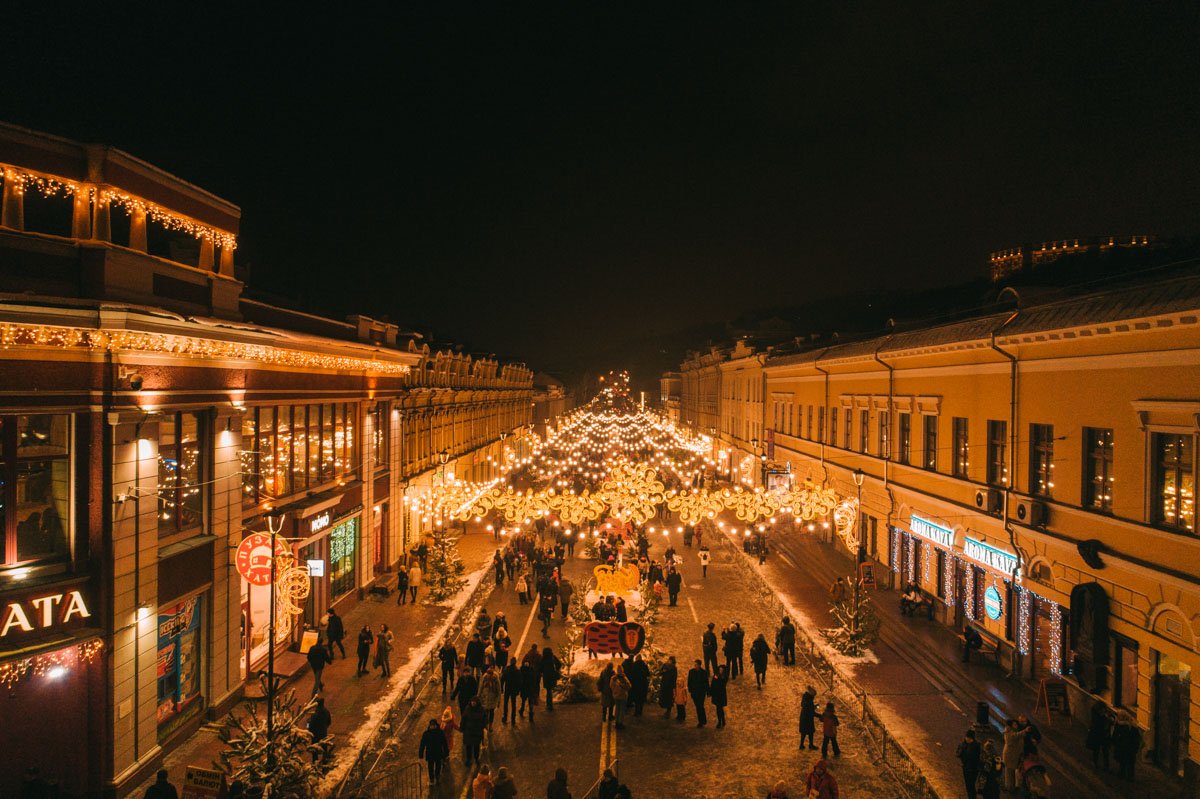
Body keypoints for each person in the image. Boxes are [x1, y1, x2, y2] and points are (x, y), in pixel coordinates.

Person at [1112, 712, 1142, 781]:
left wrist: (1116, 743)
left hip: (1123, 747)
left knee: (1123, 762)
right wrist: (1135, 748)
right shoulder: (1133, 727)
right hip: (1131, 749)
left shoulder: (1120, 726)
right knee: (1131, 763)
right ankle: (1130, 777)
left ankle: (1122, 774)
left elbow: (1115, 736)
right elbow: (1137, 739)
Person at [419, 719, 450, 785]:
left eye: (433, 725)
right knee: (430, 767)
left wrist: (446, 752)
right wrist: (420, 755)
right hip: (432, 754)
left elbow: (444, 743)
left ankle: (437, 777)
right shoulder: (427, 734)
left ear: (436, 725)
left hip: (437, 753)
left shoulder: (439, 733)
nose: (432, 727)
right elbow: (422, 745)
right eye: (431, 725)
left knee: (438, 766)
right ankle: (432, 779)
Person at [460, 696, 487, 767]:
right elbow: (464, 719)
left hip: (477, 731)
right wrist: (462, 727)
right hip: (468, 731)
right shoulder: (467, 709)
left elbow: (484, 720)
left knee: (476, 746)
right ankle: (469, 759)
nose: (473, 703)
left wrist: (483, 727)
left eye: (474, 702)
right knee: (468, 746)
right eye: (472, 702)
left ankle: (476, 758)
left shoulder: (481, 710)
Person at [1087, 701, 1114, 770]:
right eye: (1103, 710)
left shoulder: (1100, 716)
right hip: (1099, 735)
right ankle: (1097, 763)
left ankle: (1105, 765)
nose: (1104, 711)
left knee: (1104, 751)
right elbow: (1099, 724)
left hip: (1103, 735)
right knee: (1098, 750)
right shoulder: (1098, 717)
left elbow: (1111, 721)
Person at [956, 729, 982, 799]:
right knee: (968, 785)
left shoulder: (976, 746)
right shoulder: (963, 744)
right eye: (966, 737)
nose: (967, 739)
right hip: (966, 768)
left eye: (968, 738)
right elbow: (957, 753)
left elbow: (975, 757)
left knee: (971, 785)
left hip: (973, 769)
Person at [1001, 718, 1025, 792]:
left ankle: (1011, 786)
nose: (1016, 725)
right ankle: (1009, 787)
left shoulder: (1014, 731)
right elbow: (1014, 736)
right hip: (1010, 756)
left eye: (1016, 724)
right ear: (1011, 725)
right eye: (1014, 724)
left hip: (1014, 755)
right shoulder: (1008, 733)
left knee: (1011, 771)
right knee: (1009, 772)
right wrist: (1025, 731)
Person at [307, 697, 332, 763]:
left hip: (315, 735)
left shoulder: (315, 715)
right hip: (324, 733)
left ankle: (315, 762)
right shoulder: (326, 711)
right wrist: (324, 728)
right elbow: (329, 722)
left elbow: (310, 726)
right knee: (324, 748)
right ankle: (325, 762)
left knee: (314, 749)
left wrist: (307, 723)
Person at [687, 658, 709, 727]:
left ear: (699, 665)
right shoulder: (691, 672)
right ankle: (702, 720)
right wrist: (690, 690)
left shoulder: (704, 673)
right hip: (694, 693)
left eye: (696, 665)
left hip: (701, 693)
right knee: (698, 706)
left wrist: (707, 691)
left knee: (700, 706)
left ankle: (701, 721)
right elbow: (689, 682)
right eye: (695, 664)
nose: (695, 666)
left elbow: (706, 683)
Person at [610, 663, 632, 729]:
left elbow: (611, 686)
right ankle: (620, 723)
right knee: (622, 710)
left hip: (616, 696)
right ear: (622, 670)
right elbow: (629, 686)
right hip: (623, 696)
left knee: (617, 709)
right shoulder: (624, 678)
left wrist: (614, 691)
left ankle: (616, 722)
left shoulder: (613, 678)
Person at [541, 646, 562, 712]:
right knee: (550, 690)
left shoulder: (543, 659)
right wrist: (557, 670)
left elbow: (540, 667)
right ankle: (550, 704)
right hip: (552, 676)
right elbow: (559, 664)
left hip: (546, 677)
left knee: (548, 690)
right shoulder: (553, 657)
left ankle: (549, 704)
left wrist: (542, 672)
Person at [709, 664, 729, 729]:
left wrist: (717, 679)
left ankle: (720, 721)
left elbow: (722, 685)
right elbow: (712, 684)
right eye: (720, 670)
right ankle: (722, 720)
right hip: (716, 694)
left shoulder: (724, 677)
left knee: (719, 708)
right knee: (719, 708)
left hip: (721, 695)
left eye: (721, 670)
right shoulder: (716, 676)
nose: (720, 671)